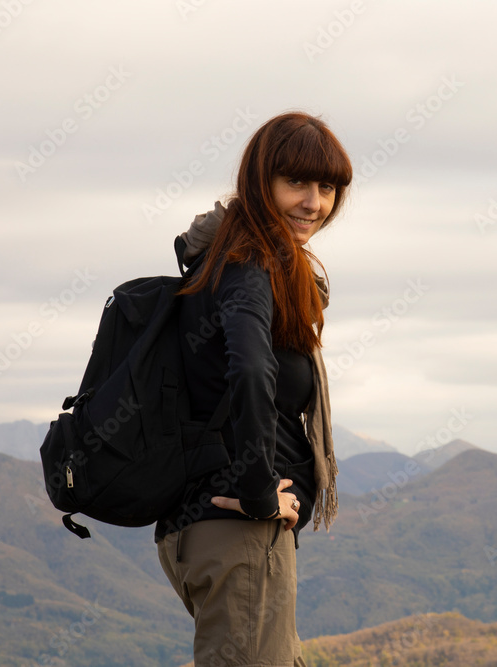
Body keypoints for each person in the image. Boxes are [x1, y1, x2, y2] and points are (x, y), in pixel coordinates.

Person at [153, 111, 352, 667]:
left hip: (217, 532)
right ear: (260, 182)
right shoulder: (250, 264)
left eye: (327, 188)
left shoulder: (229, 259)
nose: (313, 202)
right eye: (296, 182)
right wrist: (261, 493)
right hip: (238, 531)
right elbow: (250, 372)